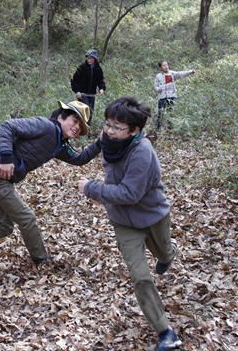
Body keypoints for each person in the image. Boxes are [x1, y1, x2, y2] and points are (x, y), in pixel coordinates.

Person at [0, 100, 101, 267]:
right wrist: (7, 157)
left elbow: (80, 158)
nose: (77, 127)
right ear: (61, 117)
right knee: (27, 218)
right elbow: (8, 126)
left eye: (80, 126)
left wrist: (101, 143)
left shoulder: (60, 144)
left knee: (3, 226)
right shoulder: (45, 126)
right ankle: (41, 260)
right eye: (74, 120)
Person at [77, 96, 182, 351]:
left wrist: (94, 189)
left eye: (117, 127)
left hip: (152, 215)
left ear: (135, 130)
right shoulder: (109, 140)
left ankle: (169, 251)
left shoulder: (142, 151)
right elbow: (86, 155)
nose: (110, 131)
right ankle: (165, 332)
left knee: (164, 255)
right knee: (140, 276)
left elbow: (131, 193)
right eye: (108, 124)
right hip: (123, 222)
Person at [154, 60, 195, 130]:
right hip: (162, 96)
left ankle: (170, 128)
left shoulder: (172, 74)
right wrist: (158, 89)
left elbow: (181, 74)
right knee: (160, 112)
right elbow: (155, 85)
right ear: (160, 67)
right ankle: (158, 128)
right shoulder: (158, 76)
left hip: (171, 96)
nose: (166, 67)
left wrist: (190, 72)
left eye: (166, 65)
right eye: (163, 66)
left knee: (170, 112)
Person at [70, 49, 106, 128]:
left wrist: (101, 88)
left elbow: (101, 80)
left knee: (90, 113)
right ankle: (79, 128)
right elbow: (74, 80)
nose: (89, 60)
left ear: (95, 59)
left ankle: (87, 130)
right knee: (86, 111)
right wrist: (77, 91)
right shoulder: (82, 68)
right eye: (88, 58)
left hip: (92, 94)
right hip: (82, 94)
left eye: (91, 58)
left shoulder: (98, 69)